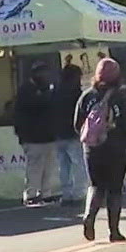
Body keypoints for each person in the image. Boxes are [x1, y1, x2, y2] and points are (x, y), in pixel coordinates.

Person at [75, 57, 126, 242]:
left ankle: (89, 215)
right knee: (115, 189)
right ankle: (114, 231)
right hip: (116, 148)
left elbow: (77, 124)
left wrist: (90, 139)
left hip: (92, 148)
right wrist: (125, 140)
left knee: (95, 185)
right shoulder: (124, 96)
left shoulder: (87, 96)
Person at [13, 64, 58, 207]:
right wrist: (49, 93)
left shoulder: (43, 89)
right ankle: (31, 195)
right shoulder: (26, 90)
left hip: (47, 136)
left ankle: (46, 193)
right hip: (32, 137)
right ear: (35, 74)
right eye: (42, 73)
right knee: (34, 167)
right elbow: (37, 104)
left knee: (48, 167)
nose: (46, 76)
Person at [52, 62, 86, 204]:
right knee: (78, 164)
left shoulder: (55, 92)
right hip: (73, 133)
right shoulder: (77, 94)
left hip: (58, 133)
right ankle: (78, 193)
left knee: (63, 166)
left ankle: (66, 194)